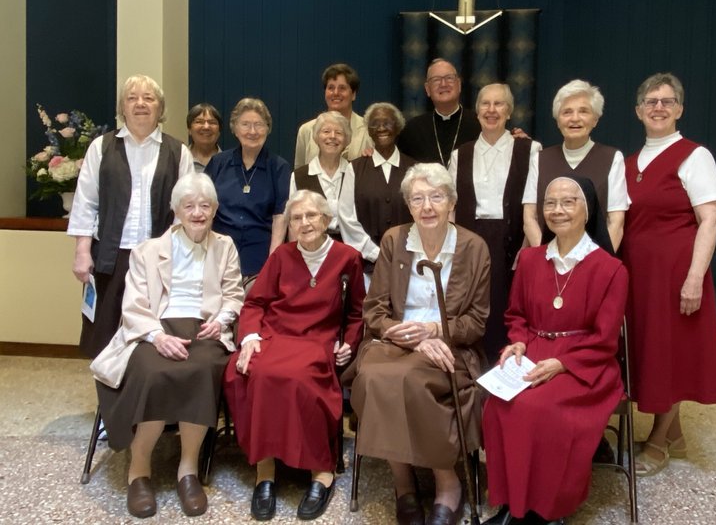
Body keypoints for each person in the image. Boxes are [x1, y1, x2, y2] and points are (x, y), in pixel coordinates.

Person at [89, 172, 245, 518]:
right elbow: (134, 306)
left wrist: (221, 320)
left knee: (203, 370)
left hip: (204, 329)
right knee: (153, 372)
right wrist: (157, 336)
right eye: (189, 206)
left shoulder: (225, 246)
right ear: (176, 210)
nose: (197, 213)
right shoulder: (148, 251)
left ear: (215, 209)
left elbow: (234, 294)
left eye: (205, 205)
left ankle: (187, 470)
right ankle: (139, 470)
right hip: (154, 327)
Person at [350, 163, 490, 525]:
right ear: (408, 206)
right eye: (417, 199)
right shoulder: (394, 240)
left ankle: (447, 482)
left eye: (436, 197)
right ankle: (403, 483)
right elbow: (374, 310)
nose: (427, 206)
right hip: (393, 341)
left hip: (449, 346)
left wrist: (434, 330)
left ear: (452, 202)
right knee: (373, 378)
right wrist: (403, 333)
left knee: (410, 380)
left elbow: (476, 321)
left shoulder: (474, 248)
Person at [482, 176, 627, 525]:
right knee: (497, 404)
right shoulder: (531, 259)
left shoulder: (611, 269)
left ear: (587, 210)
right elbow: (516, 314)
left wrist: (562, 363)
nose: (557, 210)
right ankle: (511, 502)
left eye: (568, 202)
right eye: (550, 203)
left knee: (540, 409)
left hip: (585, 362)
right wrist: (518, 340)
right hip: (532, 350)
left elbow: (605, 338)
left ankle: (544, 510)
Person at [223, 190, 365, 522]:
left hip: (318, 339)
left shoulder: (348, 257)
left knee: (300, 378)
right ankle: (265, 470)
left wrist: (349, 342)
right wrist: (250, 337)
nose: (304, 223)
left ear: (326, 220)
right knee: (254, 371)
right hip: (276, 335)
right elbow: (255, 303)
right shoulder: (282, 256)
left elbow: (357, 312)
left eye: (311, 215)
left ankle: (321, 471)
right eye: (297, 218)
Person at [622, 72, 716, 476]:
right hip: (640, 276)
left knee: (671, 353)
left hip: (676, 275)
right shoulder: (629, 163)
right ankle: (675, 436)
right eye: (651, 101)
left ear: (679, 108)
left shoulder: (695, 156)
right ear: (638, 111)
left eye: (667, 101)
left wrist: (695, 278)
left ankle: (657, 442)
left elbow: (710, 219)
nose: (659, 107)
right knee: (654, 351)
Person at [68, 74, 194, 358]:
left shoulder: (178, 152)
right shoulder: (101, 147)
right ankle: (106, 388)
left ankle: (141, 387)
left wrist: (178, 257)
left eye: (149, 98)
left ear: (160, 108)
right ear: (122, 107)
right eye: (132, 98)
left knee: (153, 333)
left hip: (159, 259)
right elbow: (85, 202)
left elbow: (184, 211)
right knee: (104, 333)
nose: (140, 104)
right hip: (110, 258)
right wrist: (82, 252)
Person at [449, 83, 542, 361]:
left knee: (508, 308)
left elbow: (534, 205)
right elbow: (451, 208)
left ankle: (505, 369)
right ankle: (473, 371)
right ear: (477, 111)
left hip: (513, 241)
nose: (491, 110)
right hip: (470, 241)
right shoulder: (460, 154)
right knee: (473, 308)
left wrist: (530, 248)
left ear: (509, 111)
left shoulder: (530, 149)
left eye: (499, 104)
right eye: (485, 104)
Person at [522, 79, 629, 251]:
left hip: (595, 262)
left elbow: (616, 222)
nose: (575, 118)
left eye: (583, 111)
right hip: (546, 259)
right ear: (558, 120)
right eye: (567, 112)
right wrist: (547, 257)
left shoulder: (612, 158)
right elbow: (530, 218)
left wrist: (598, 262)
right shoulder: (540, 159)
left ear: (595, 119)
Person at [205, 97, 290, 277]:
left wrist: (273, 261)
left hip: (260, 254)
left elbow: (280, 216)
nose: (252, 131)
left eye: (259, 125)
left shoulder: (279, 167)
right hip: (219, 250)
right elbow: (205, 207)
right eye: (245, 124)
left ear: (268, 128)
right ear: (235, 129)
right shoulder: (218, 163)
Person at [338, 102, 415, 285]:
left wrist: (402, 254)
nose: (381, 128)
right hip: (366, 268)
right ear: (368, 130)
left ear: (398, 127)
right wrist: (375, 253)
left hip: (408, 265)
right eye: (375, 124)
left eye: (387, 122)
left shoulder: (414, 169)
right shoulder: (354, 169)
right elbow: (346, 217)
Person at [397, 58, 482, 167]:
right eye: (436, 80)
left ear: (459, 84)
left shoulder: (479, 124)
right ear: (427, 89)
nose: (443, 84)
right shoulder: (412, 130)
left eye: (449, 78)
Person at [294, 63, 372, 168]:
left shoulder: (368, 130)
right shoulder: (306, 130)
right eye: (331, 88)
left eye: (342, 88)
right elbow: (300, 172)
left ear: (353, 94)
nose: (335, 93)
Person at [290, 111, 350, 241]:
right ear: (316, 137)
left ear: (346, 140)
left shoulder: (355, 172)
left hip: (351, 247)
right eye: (326, 131)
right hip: (311, 247)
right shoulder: (299, 176)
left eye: (339, 133)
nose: (332, 136)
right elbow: (294, 222)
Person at [186, 102, 222, 172]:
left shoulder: (229, 163)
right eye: (199, 122)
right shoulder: (179, 160)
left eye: (212, 122)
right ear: (189, 130)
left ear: (219, 131)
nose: (206, 127)